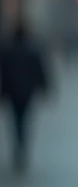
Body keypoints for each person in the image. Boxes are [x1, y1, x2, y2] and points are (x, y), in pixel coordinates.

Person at [0, 22, 49, 173]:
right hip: (27, 93)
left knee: (15, 120)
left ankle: (19, 146)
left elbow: (4, 75)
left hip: (12, 93)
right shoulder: (32, 51)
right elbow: (40, 71)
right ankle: (22, 146)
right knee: (24, 120)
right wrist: (44, 88)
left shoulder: (7, 52)